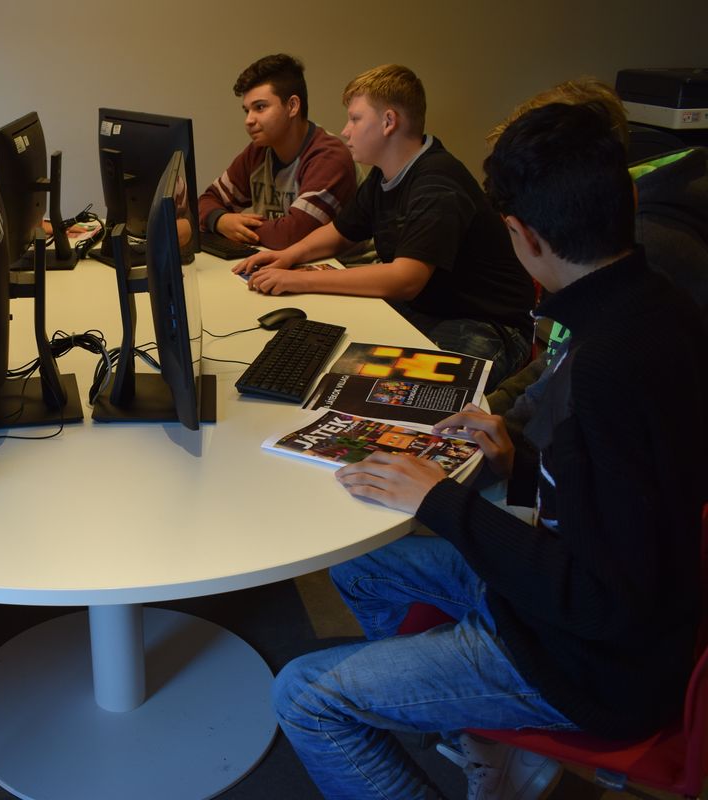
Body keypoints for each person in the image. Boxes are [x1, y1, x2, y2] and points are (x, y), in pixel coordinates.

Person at [270, 103, 707, 799]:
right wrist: (520, 465)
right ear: (626, 197)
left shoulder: (609, 366)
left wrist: (440, 502)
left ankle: (465, 700)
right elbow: (621, 504)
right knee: (359, 568)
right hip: (580, 606)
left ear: (521, 235)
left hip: (584, 662)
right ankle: (462, 717)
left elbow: (601, 599)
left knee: (304, 697)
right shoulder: (659, 308)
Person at [235, 64, 535, 388]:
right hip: (431, 309)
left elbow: (405, 279)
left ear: (389, 122)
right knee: (336, 361)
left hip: (486, 324)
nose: (346, 130)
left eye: (355, 119)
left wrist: (299, 280)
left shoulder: (437, 183)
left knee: (405, 395)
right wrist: (288, 256)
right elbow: (340, 232)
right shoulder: (385, 174)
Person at [484, 78, 708, 436]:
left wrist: (505, 442)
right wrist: (493, 409)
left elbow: (575, 422)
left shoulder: (647, 256)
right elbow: (558, 358)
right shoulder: (610, 258)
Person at [198, 53, 356, 249]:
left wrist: (236, 228)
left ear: (292, 106)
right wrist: (220, 220)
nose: (249, 120)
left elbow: (292, 236)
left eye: (260, 107)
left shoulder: (329, 157)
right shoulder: (258, 151)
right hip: (282, 259)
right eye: (247, 110)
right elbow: (207, 200)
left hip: (344, 264)